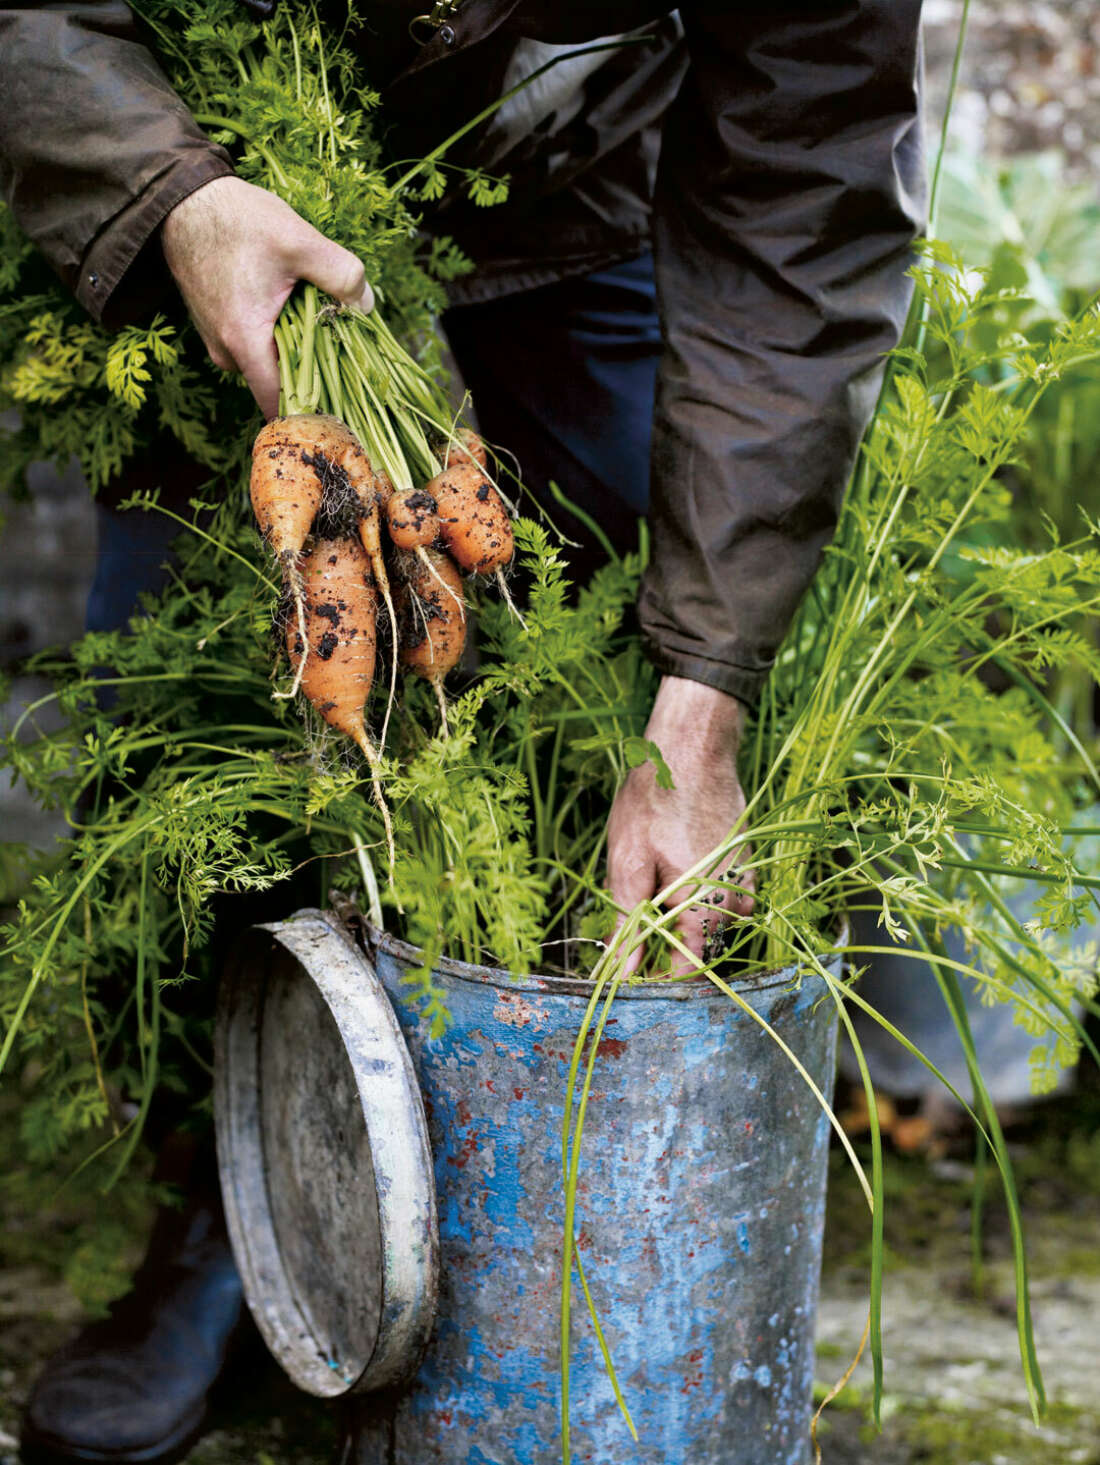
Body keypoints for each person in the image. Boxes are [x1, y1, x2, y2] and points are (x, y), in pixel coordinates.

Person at [1, 2, 925, 1461]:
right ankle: (235, 1215)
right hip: (243, 193)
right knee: (204, 722)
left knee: (595, 671)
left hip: (575, 207)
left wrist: (702, 704)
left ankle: (528, 1216)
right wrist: (164, 190)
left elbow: (807, 177)